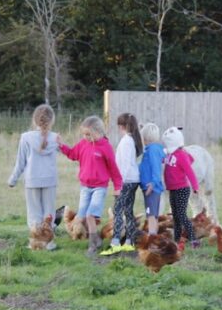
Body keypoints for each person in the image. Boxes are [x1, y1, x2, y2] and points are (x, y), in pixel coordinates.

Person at [59, 116, 122, 255]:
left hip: (100, 187)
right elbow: (72, 154)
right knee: (81, 217)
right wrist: (61, 145)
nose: (85, 137)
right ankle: (96, 239)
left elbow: (113, 169)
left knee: (90, 215)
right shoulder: (83, 144)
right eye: (84, 134)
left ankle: (93, 245)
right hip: (85, 187)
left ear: (98, 132)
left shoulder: (105, 147)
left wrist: (118, 186)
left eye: (88, 134)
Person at [8, 104, 60, 251]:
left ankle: (35, 243)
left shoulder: (25, 138)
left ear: (35, 120)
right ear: (51, 120)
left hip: (32, 180)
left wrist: (13, 179)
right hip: (50, 180)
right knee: (49, 213)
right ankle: (48, 243)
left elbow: (20, 162)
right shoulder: (56, 138)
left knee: (33, 214)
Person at [100, 113, 143, 256]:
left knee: (118, 211)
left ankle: (116, 242)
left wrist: (118, 185)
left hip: (125, 180)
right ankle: (129, 242)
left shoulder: (125, 141)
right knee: (128, 211)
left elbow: (123, 165)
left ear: (121, 126)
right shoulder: (132, 140)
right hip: (133, 180)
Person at [162, 127, 199, 248]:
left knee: (182, 215)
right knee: (176, 216)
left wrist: (195, 186)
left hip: (182, 189)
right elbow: (162, 159)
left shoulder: (181, 155)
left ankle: (194, 239)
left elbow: (190, 171)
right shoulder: (169, 154)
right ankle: (177, 239)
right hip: (172, 189)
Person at [139, 122, 166, 236]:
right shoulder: (153, 149)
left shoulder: (152, 150)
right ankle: (153, 234)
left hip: (151, 188)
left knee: (150, 213)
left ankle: (151, 236)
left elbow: (156, 168)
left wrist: (153, 183)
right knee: (153, 213)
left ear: (145, 138)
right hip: (150, 187)